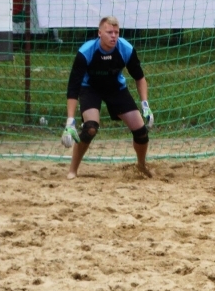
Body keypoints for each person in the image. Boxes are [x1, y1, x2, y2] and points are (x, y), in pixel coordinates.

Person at [62, 16, 154, 180]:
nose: (113, 36)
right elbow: (73, 88)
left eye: (116, 32)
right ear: (99, 33)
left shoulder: (125, 48)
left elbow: (140, 78)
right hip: (90, 88)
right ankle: (73, 170)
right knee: (90, 128)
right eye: (109, 32)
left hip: (115, 88)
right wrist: (70, 121)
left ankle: (141, 165)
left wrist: (145, 105)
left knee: (141, 132)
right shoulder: (86, 52)